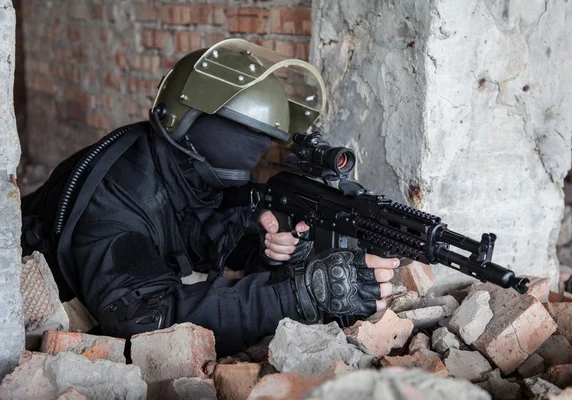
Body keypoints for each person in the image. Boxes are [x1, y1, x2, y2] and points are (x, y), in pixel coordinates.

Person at [21, 39, 399, 356]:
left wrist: (272, 254)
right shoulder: (118, 195)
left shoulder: (200, 176)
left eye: (260, 140)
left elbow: (218, 240)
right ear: (186, 121)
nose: (252, 152)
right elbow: (140, 316)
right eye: (237, 134)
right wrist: (297, 296)